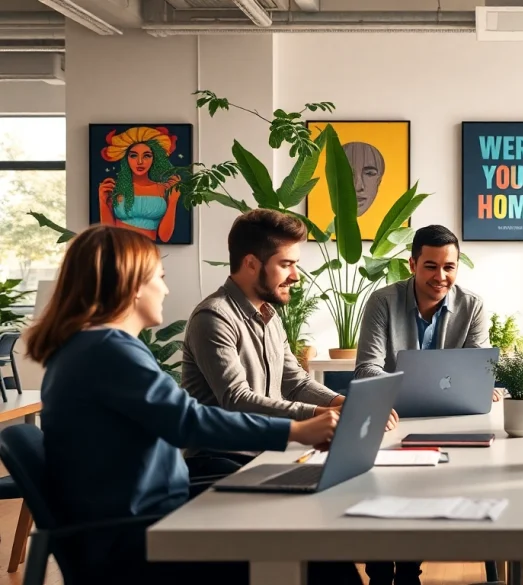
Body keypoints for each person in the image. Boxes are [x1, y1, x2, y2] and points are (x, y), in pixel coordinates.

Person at [24, 225, 359, 585]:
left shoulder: (91, 348)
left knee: (310, 534)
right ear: (133, 285)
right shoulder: (107, 351)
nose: (166, 288)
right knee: (319, 556)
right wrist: (296, 429)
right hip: (142, 538)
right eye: (160, 277)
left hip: (154, 519)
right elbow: (187, 420)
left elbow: (182, 415)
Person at [181, 209, 398, 476]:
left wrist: (345, 403)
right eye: (286, 264)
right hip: (219, 462)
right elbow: (237, 400)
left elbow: (296, 382)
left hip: (265, 452)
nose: (295, 276)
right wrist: (319, 416)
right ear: (251, 263)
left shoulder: (269, 316)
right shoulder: (214, 316)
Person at [354, 224, 493, 585]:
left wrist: (482, 383)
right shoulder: (382, 301)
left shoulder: (472, 305)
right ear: (412, 263)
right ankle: (381, 570)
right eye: (431, 266)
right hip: (392, 415)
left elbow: (478, 363)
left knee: (425, 483)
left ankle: (409, 570)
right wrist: (392, 389)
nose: (440, 276)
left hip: (448, 416)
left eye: (449, 267)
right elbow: (367, 365)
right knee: (386, 483)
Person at [97, 125, 184, 243]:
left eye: (147, 155)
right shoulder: (116, 188)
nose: (140, 161)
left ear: (155, 158)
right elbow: (107, 232)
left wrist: (173, 201)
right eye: (133, 155)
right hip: (121, 248)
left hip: (149, 250)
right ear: (126, 159)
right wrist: (102, 201)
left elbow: (165, 237)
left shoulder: (163, 189)